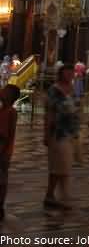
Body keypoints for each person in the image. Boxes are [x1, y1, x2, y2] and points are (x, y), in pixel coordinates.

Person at [44, 63, 79, 209]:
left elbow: (76, 109)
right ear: (61, 73)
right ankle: (60, 196)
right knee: (60, 165)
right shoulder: (54, 90)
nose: (70, 75)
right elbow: (50, 113)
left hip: (70, 132)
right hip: (57, 132)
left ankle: (53, 195)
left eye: (72, 72)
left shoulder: (72, 89)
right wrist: (46, 133)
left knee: (63, 166)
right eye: (67, 72)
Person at [0, 84, 20, 220]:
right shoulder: (3, 110)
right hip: (4, 150)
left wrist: (6, 151)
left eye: (5, 91)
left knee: (1, 180)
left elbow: (7, 135)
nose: (1, 91)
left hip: (2, 152)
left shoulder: (9, 112)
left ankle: (0, 205)